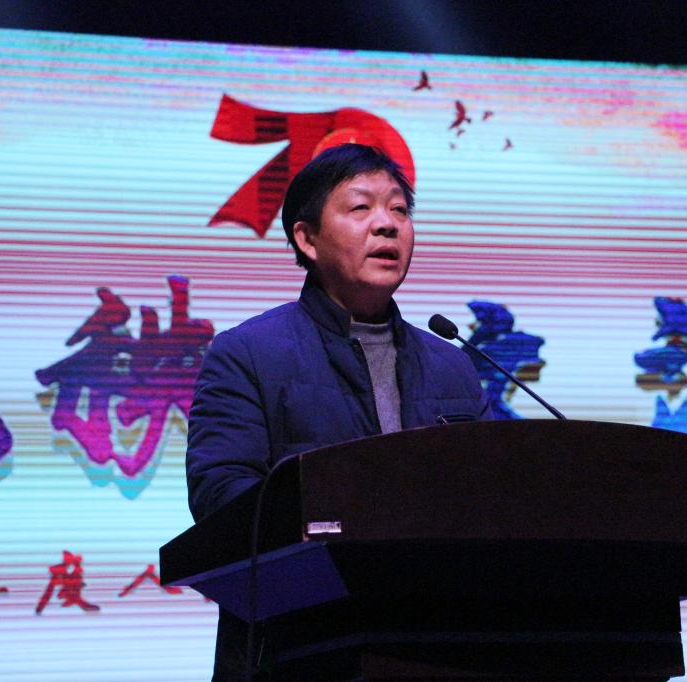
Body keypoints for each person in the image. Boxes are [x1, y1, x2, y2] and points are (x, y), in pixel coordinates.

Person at [185, 143, 492, 679]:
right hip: (297, 649)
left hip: (435, 648)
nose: (387, 224)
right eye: (361, 207)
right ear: (307, 239)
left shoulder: (452, 365)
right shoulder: (248, 353)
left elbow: (495, 497)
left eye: (399, 209)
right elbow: (221, 495)